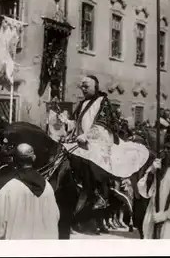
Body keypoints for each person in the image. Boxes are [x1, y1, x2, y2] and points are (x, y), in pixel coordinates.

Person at [61, 75, 149, 211]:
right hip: (81, 140)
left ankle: (98, 194)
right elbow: (76, 124)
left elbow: (102, 126)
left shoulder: (103, 101)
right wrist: (67, 122)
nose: (83, 89)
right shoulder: (82, 103)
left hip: (99, 142)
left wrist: (87, 136)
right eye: (82, 86)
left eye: (87, 86)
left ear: (96, 87)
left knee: (88, 159)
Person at [0, 143, 60, 239]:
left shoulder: (10, 188)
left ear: (15, 160)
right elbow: (55, 218)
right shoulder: (48, 188)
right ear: (34, 158)